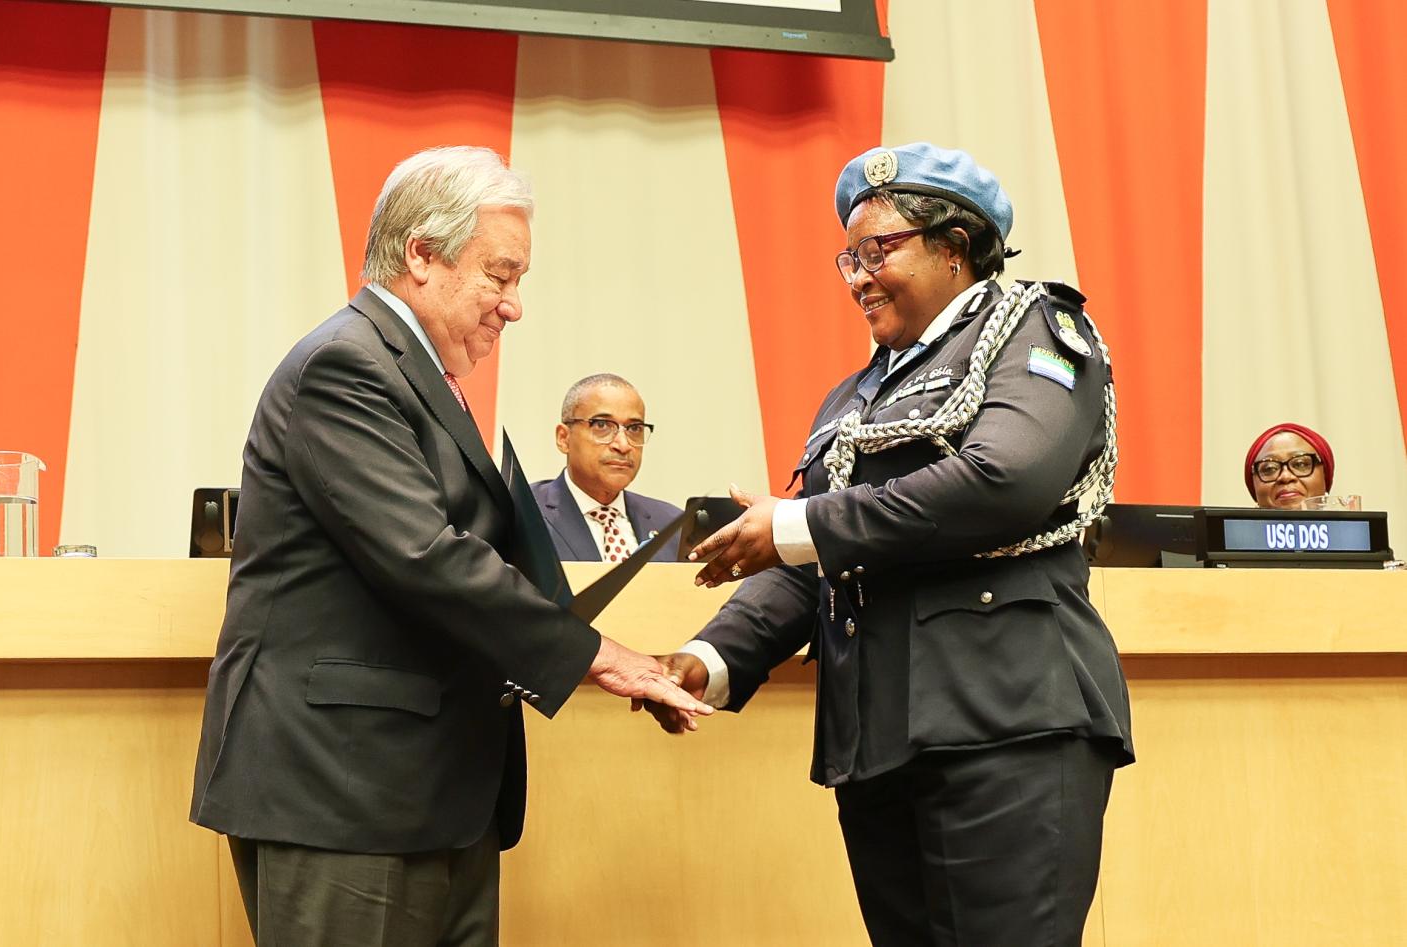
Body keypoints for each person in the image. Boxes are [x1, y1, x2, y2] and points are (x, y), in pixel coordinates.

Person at [189, 146, 710, 947]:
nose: (514, 305)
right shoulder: (346, 365)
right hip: (343, 795)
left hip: (429, 795)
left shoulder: (415, 372)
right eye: (499, 276)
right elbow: (424, 555)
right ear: (421, 256)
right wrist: (597, 653)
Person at [641, 143, 1134, 945]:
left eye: (880, 250)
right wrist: (712, 656)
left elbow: (1006, 479)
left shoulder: (1037, 328)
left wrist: (797, 523)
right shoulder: (854, 395)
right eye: (850, 257)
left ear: (956, 247)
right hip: (878, 742)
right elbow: (817, 557)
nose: (859, 276)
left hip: (1005, 724)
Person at [530, 373, 682, 562]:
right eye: (602, 425)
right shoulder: (523, 513)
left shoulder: (673, 524)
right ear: (564, 438)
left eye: (634, 428)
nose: (623, 445)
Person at [1245, 422, 1335, 510]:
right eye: (1269, 469)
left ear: (1324, 474)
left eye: (1301, 464)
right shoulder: (1235, 525)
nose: (1285, 477)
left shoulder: (1347, 524)